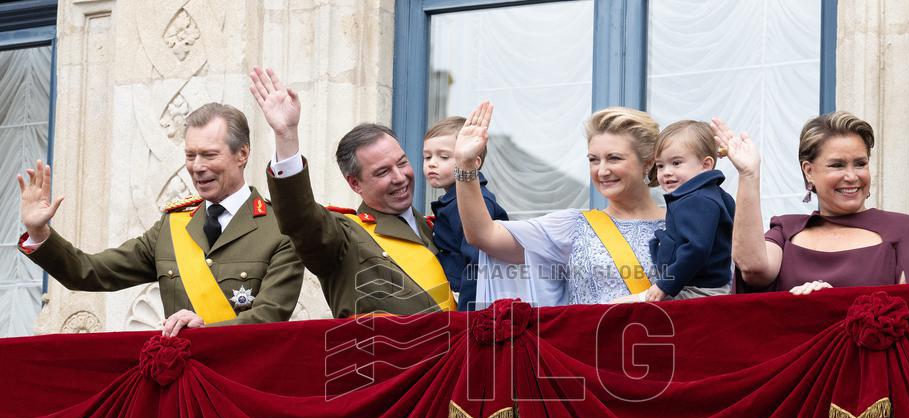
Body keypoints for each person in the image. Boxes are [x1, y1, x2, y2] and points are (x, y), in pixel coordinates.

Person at [17, 103, 304, 336]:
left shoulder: (280, 228)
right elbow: (89, 271)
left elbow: (270, 317)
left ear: (242, 154)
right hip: (181, 387)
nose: (197, 167)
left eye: (209, 155)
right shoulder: (173, 227)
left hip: (243, 387)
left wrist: (205, 331)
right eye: (190, 155)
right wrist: (39, 232)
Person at [249, 67, 456, 317]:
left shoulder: (437, 228)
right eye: (382, 173)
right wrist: (286, 137)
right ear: (354, 184)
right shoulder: (345, 237)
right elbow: (301, 220)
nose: (400, 177)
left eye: (402, 163)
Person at [454, 102, 664, 306]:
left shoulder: (680, 225)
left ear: (647, 162)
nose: (602, 171)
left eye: (614, 158)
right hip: (589, 341)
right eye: (593, 160)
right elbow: (483, 235)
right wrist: (465, 164)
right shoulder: (574, 226)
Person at [712, 112, 909, 294]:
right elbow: (752, 268)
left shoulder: (903, 230)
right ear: (809, 171)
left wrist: (833, 304)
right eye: (837, 165)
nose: (851, 176)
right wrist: (749, 174)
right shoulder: (786, 230)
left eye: (860, 164)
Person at [615, 120, 734, 303]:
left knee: (619, 307)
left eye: (676, 163)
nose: (666, 172)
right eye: (660, 166)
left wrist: (665, 285)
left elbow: (696, 248)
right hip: (711, 288)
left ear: (706, 165)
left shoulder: (696, 200)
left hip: (698, 291)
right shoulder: (714, 195)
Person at [423, 116, 509, 310]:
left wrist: (468, 312)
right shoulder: (452, 201)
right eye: (427, 157)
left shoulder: (468, 204)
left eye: (444, 157)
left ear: (474, 161)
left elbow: (478, 262)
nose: (432, 164)